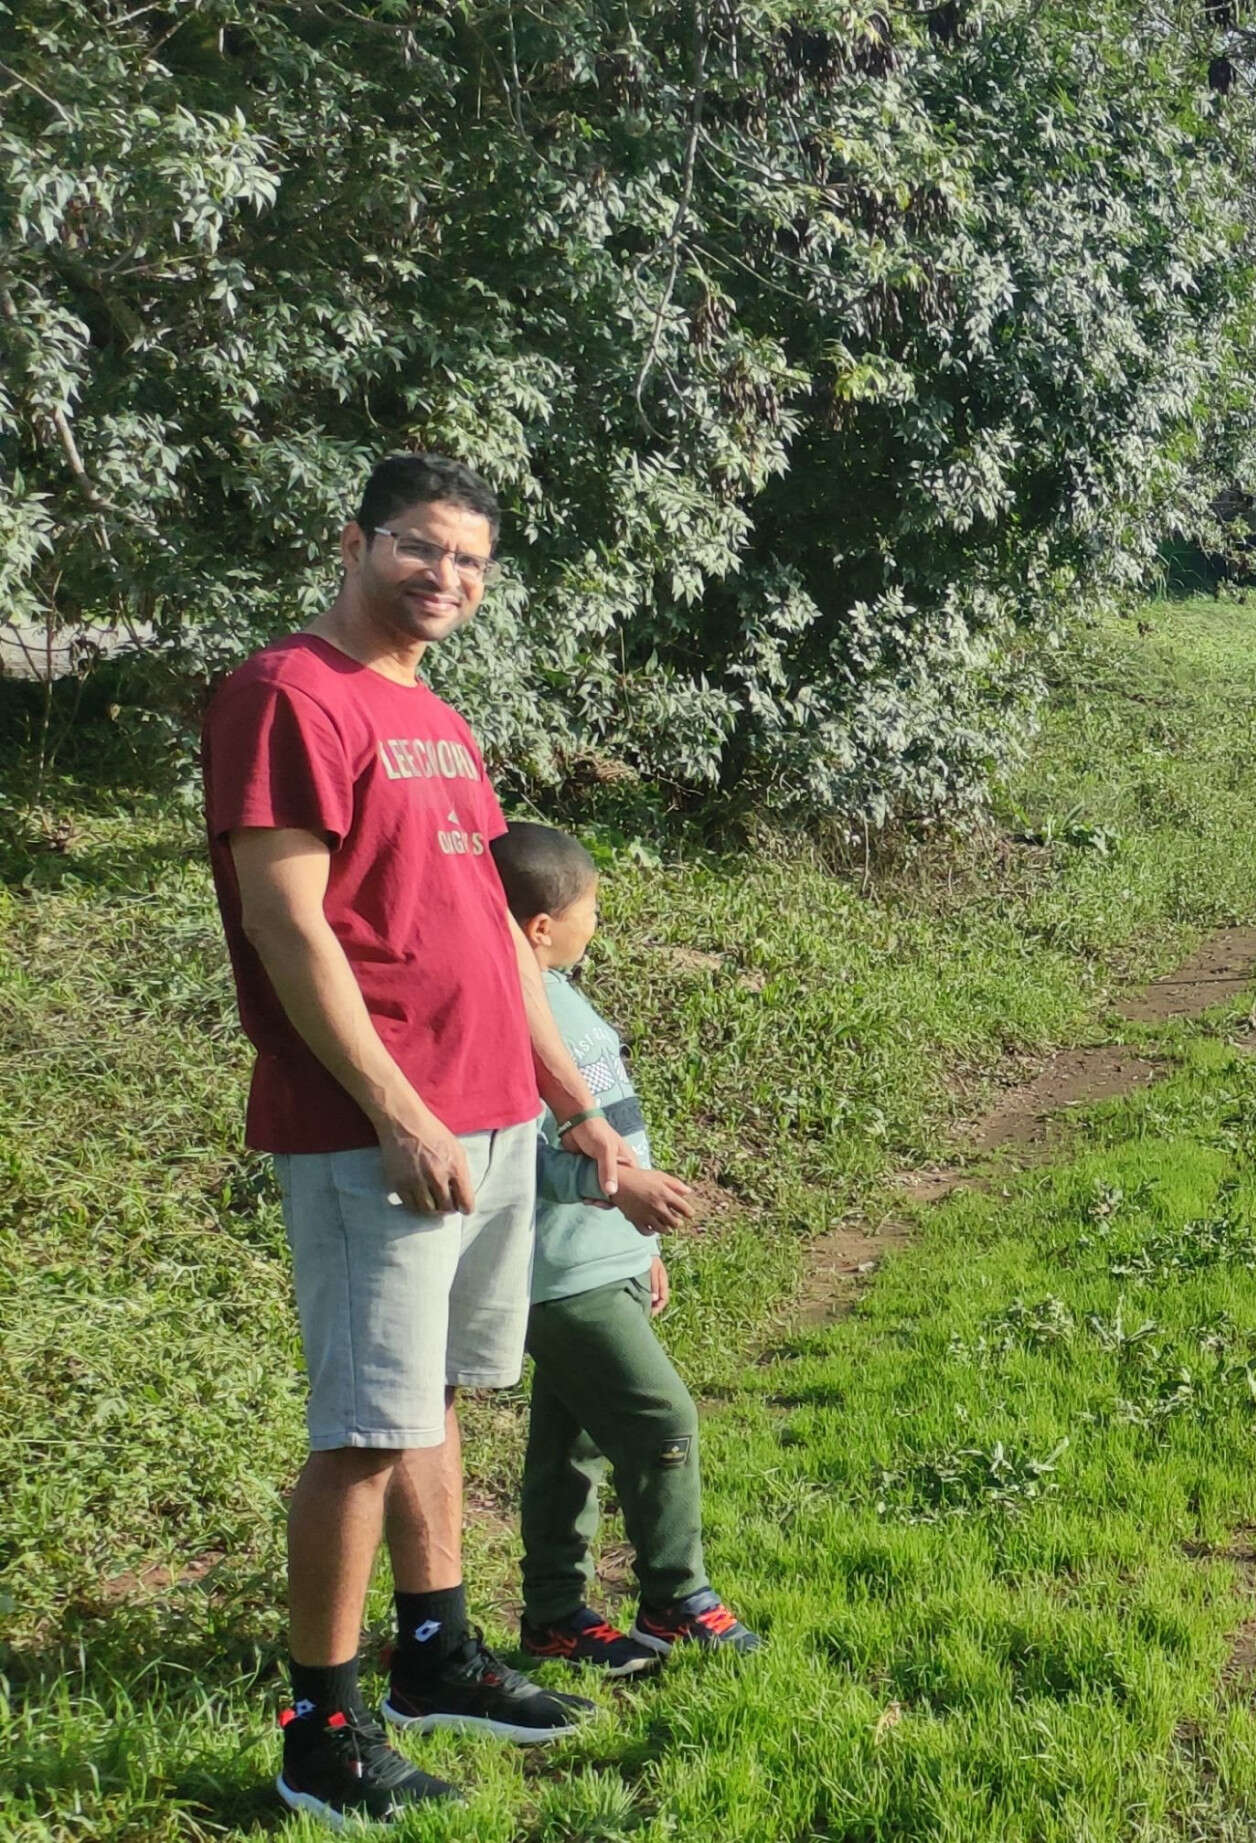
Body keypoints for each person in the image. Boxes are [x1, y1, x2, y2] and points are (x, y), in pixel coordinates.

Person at [206, 453, 691, 1826]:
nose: (447, 577)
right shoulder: (286, 694)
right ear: (356, 540)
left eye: (472, 560)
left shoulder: (435, 715)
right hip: (385, 1127)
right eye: (422, 548)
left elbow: (495, 941)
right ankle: (323, 1725)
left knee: (434, 1399)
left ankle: (435, 1651)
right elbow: (288, 924)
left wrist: (582, 1118)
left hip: (490, 1114)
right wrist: (400, 1110)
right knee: (364, 1424)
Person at [492, 822, 762, 1674]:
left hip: (601, 1255)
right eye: (591, 909)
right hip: (557, 1271)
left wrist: (633, 1238)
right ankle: (676, 1599)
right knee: (661, 1417)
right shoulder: (507, 1014)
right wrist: (618, 1192)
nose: (595, 923)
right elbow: (508, 1155)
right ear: (542, 925)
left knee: (567, 1445)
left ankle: (555, 1616)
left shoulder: (561, 994)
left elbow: (612, 1126)